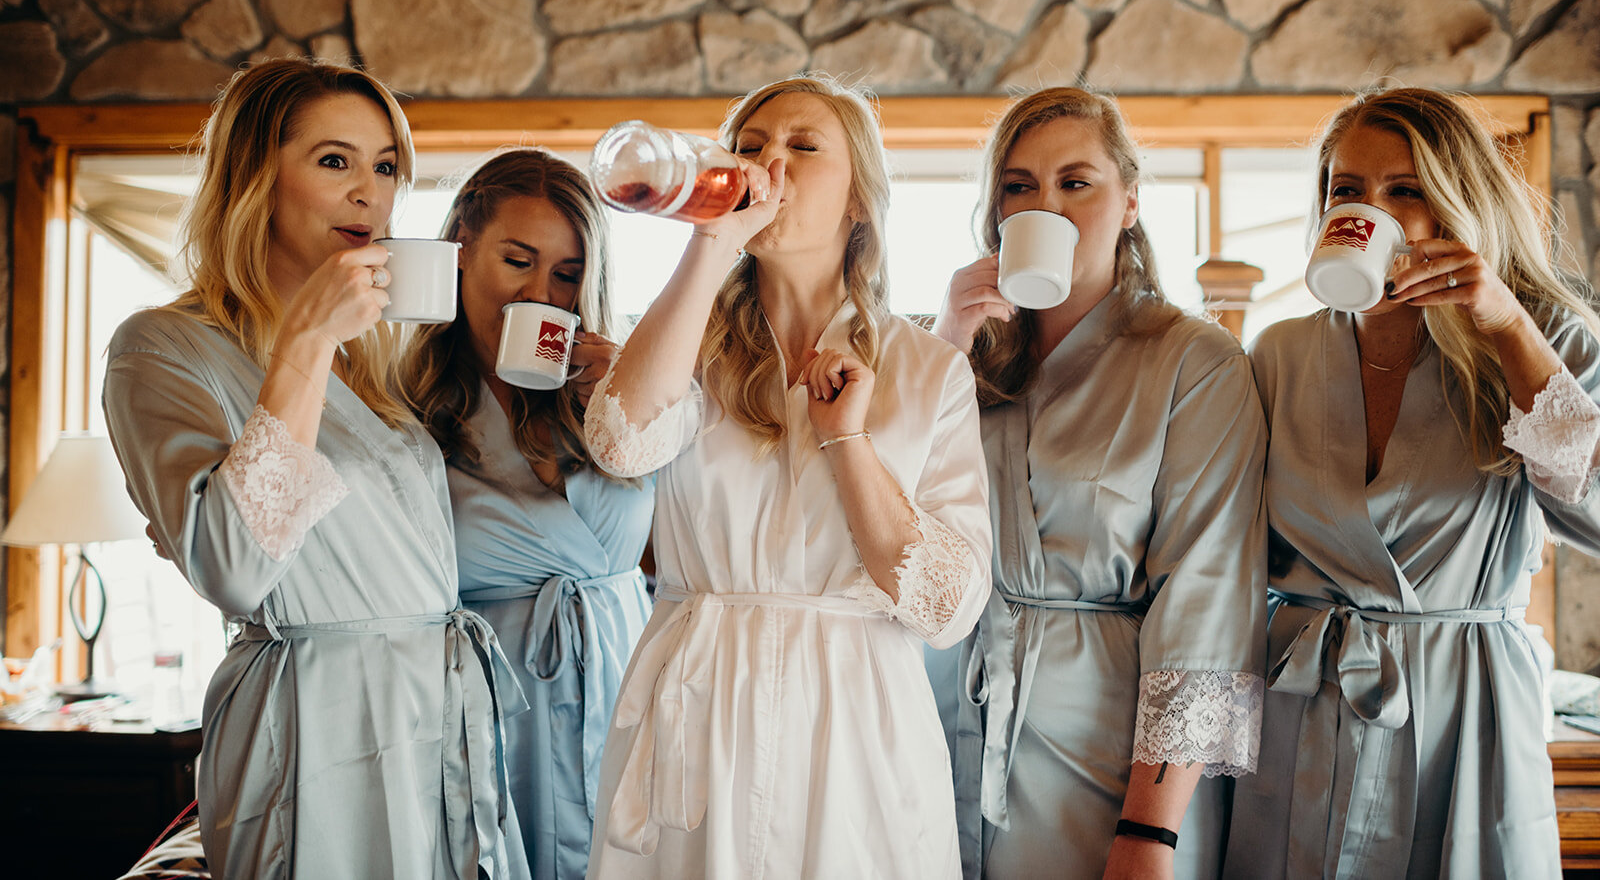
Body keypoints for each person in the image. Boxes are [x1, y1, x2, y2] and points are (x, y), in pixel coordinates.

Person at [102, 59, 529, 879]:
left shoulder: (378, 361)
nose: (370, 193)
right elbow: (230, 566)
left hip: (432, 712)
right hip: (315, 721)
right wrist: (304, 340)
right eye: (335, 161)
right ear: (255, 176)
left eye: (386, 166)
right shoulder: (159, 348)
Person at [580, 74, 993, 879]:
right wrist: (710, 240)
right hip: (699, 705)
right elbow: (622, 444)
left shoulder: (928, 369)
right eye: (750, 146)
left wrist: (851, 443)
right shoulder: (684, 340)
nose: (771, 161)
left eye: (804, 147)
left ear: (858, 202)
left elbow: (946, 607)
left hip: (856, 716)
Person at [1221, 88, 1600, 880]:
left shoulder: (1542, 335)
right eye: (1347, 191)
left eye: (1405, 191)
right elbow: (1228, 548)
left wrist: (1504, 325)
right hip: (1304, 707)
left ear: (1457, 205)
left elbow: (1593, 505)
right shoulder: (1279, 354)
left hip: (1464, 709)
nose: (1370, 212)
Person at [932, 87, 1268, 879]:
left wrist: (1150, 837)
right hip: (946, 721)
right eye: (1020, 187)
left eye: (1075, 183)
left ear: (1128, 204)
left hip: (1111, 753)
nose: (1046, 205)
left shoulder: (1194, 360)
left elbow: (1208, 601)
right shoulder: (958, 352)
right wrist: (945, 344)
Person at [401, 150, 653, 880]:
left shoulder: (618, 394)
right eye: (518, 260)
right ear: (460, 252)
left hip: (625, 692)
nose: (540, 294)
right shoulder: (406, 412)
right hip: (489, 712)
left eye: (567, 274)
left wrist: (632, 403)